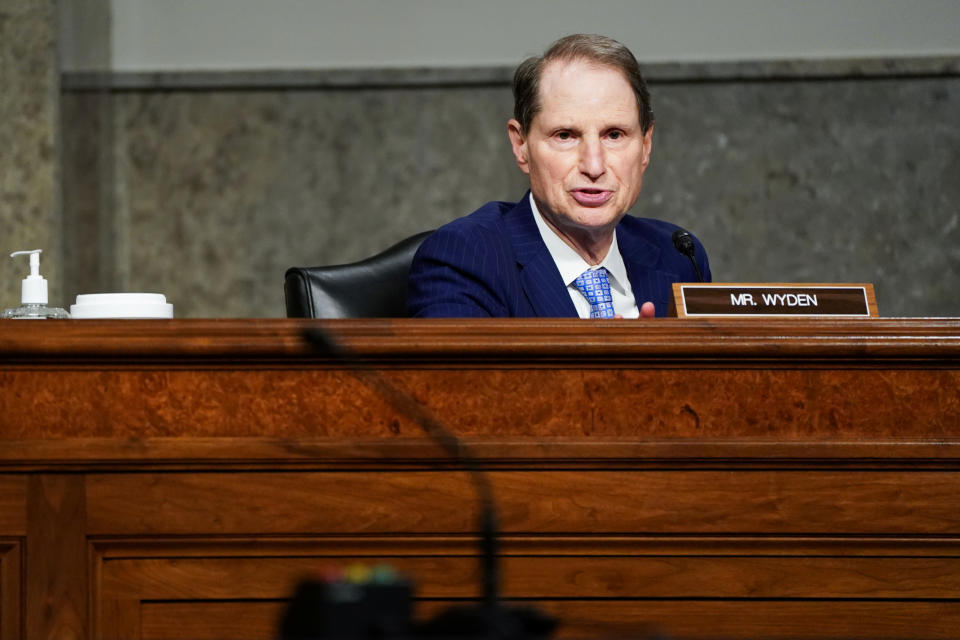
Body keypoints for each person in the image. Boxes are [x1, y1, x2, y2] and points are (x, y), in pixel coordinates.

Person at [407, 34, 710, 318]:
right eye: (565, 135)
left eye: (614, 135)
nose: (593, 166)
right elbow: (464, 378)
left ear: (645, 146)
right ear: (520, 145)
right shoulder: (465, 259)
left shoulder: (679, 256)